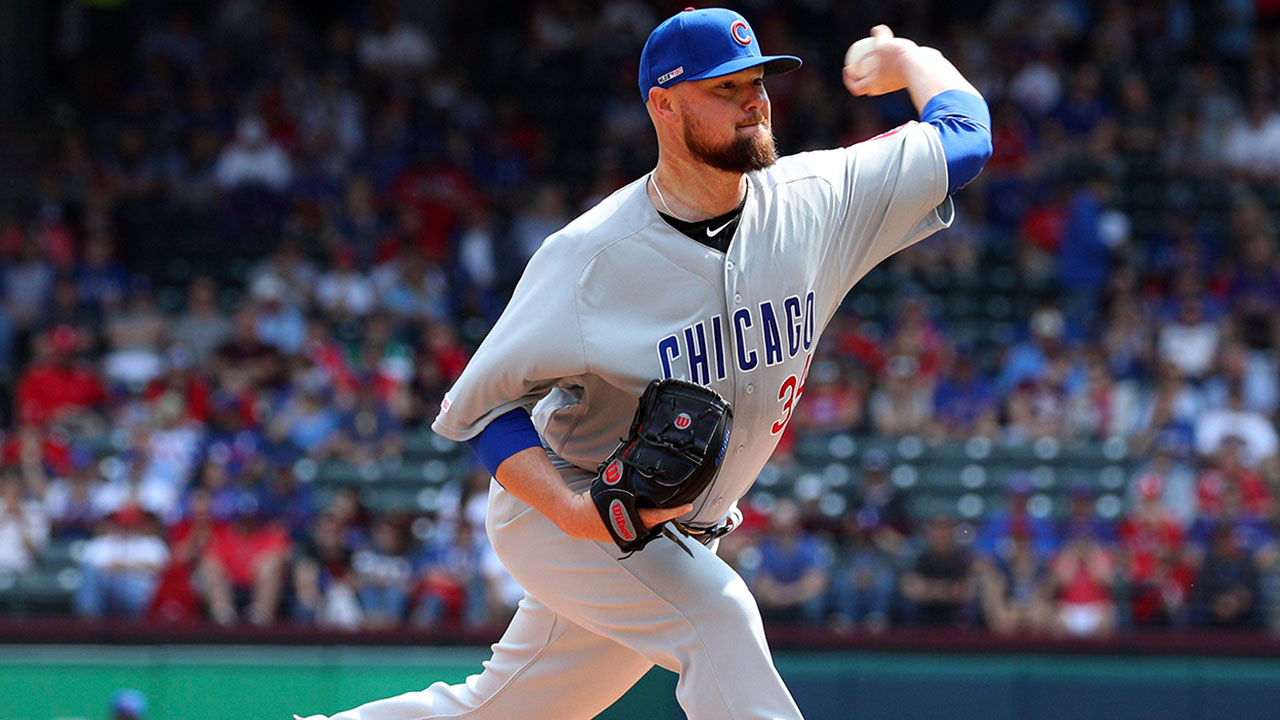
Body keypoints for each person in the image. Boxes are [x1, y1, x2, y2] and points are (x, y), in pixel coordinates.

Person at [296, 8, 988, 719]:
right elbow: (484, 411)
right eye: (726, 88)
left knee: (500, 712)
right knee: (720, 619)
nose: (754, 100)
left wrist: (907, 58)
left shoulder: (819, 200)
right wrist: (570, 513)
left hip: (679, 535)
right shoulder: (588, 257)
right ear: (663, 104)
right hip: (570, 508)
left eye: (759, 82)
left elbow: (965, 137)